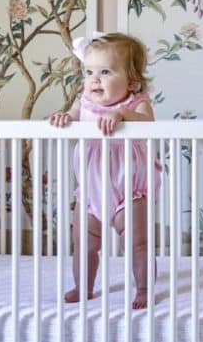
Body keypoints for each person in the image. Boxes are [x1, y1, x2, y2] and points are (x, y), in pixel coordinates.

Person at [49, 32, 157, 309]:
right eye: (89, 72)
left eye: (105, 72)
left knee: (138, 243)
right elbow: (71, 117)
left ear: (131, 81)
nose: (94, 79)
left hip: (128, 189)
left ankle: (143, 289)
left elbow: (148, 121)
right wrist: (63, 117)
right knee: (83, 243)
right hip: (90, 190)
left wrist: (122, 115)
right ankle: (83, 286)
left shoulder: (136, 103)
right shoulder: (84, 103)